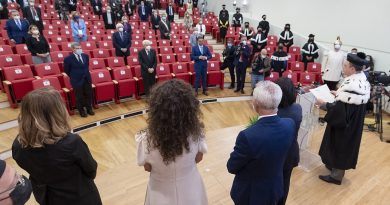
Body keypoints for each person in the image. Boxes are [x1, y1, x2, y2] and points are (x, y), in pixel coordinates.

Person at [12, 87, 102, 205]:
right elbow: (91, 170)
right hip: (80, 197)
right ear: (57, 112)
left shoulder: (18, 145)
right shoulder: (71, 142)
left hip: (46, 197)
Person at [136, 79, 208, 205]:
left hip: (159, 192)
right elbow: (199, 158)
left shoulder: (146, 138)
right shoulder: (197, 132)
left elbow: (147, 167)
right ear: (190, 108)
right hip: (190, 187)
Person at [227, 80, 295, 205]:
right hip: (275, 188)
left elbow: (232, 167)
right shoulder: (289, 124)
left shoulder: (247, 136)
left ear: (255, 104)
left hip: (251, 195)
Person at [317, 53, 371, 185]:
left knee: (340, 146)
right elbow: (348, 103)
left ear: (353, 69)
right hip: (353, 124)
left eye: (345, 66)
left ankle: (336, 177)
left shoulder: (352, 87)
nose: (343, 68)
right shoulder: (361, 82)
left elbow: (340, 111)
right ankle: (333, 165)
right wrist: (339, 94)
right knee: (343, 146)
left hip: (345, 125)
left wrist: (324, 104)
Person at [275, 77, 302, 205]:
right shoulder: (297, 108)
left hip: (275, 155)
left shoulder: (273, 112)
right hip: (291, 152)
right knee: (285, 182)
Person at [64, 42, 94, 117]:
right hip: (76, 80)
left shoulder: (85, 56)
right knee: (79, 96)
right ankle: (81, 111)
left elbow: (86, 66)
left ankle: (89, 108)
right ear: (73, 49)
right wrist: (74, 76)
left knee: (88, 94)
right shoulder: (68, 59)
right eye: (77, 48)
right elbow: (67, 70)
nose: (79, 49)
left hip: (87, 78)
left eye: (80, 48)